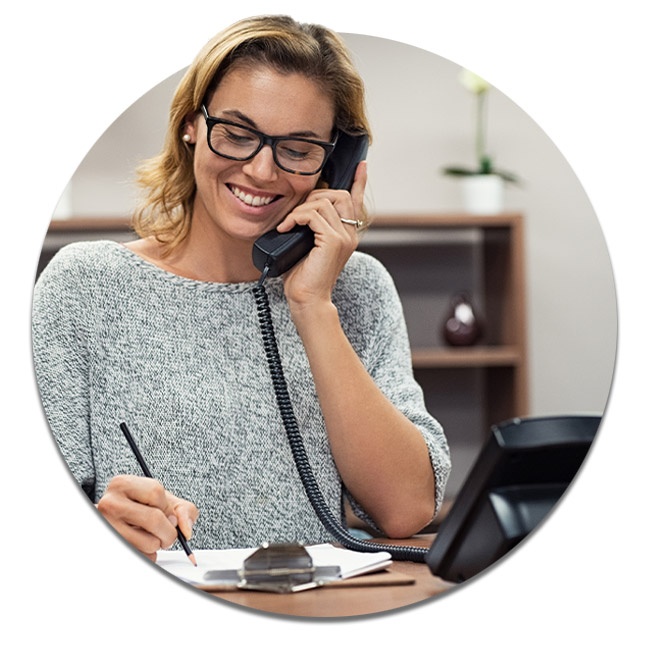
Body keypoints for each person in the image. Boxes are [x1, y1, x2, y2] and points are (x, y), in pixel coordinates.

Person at [32, 15, 451, 562]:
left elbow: (406, 510)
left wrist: (311, 305)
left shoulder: (356, 290)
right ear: (191, 125)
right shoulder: (82, 286)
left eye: (298, 149)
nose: (260, 170)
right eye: (236, 132)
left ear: (337, 164)